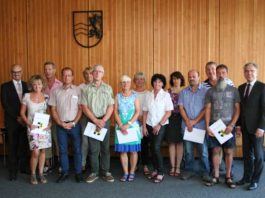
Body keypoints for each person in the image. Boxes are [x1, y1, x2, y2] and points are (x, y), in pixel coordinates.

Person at [205, 64, 240, 189]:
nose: (220, 75)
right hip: (215, 127)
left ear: (227, 74)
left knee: (228, 152)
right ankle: (215, 176)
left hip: (228, 127)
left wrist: (232, 125)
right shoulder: (210, 91)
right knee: (215, 151)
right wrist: (207, 126)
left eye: (223, 72)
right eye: (218, 72)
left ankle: (228, 176)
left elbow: (237, 110)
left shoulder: (234, 90)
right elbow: (208, 109)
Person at [81, 64, 115, 183]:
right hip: (92, 121)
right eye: (95, 71)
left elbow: (111, 106)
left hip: (104, 120)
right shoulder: (85, 89)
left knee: (105, 148)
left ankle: (105, 171)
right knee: (93, 149)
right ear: (92, 74)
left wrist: (103, 120)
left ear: (103, 74)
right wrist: (95, 121)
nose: (97, 73)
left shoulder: (108, 88)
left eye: (100, 71)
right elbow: (84, 107)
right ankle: (94, 172)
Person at [49, 67, 83, 183]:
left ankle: (78, 173)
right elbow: (53, 109)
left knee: (77, 149)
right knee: (62, 150)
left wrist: (74, 122)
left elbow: (80, 109)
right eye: (64, 75)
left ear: (72, 77)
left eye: (69, 75)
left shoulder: (78, 90)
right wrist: (60, 123)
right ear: (61, 76)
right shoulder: (55, 91)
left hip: (75, 125)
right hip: (61, 126)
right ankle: (65, 172)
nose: (66, 77)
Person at [236, 62, 265, 190]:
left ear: (256, 72)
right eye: (247, 71)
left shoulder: (262, 87)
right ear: (244, 73)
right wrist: (238, 125)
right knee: (246, 155)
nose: (249, 73)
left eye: (252, 71)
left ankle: (255, 180)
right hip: (245, 127)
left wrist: (262, 127)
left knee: (258, 156)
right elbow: (239, 109)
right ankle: (246, 177)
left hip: (257, 128)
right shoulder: (241, 88)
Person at [178, 70, 210, 181]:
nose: (191, 78)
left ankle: (205, 172)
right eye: (189, 76)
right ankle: (189, 170)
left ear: (199, 77)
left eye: (194, 76)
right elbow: (181, 108)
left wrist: (195, 121)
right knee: (188, 151)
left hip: (200, 126)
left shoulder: (206, 91)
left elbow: (206, 108)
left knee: (204, 152)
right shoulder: (183, 92)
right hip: (187, 127)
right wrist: (187, 121)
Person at [20, 75, 52, 184]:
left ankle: (41, 174)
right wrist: (29, 124)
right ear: (31, 85)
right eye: (34, 84)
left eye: (39, 83)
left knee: (43, 151)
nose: (37, 86)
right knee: (35, 152)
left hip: (44, 128)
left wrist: (50, 124)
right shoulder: (27, 96)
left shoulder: (46, 97)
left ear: (42, 85)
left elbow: (49, 113)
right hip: (32, 128)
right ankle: (33, 174)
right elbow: (22, 113)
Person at [142, 74, 173, 183]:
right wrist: (144, 126)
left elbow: (169, 112)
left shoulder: (166, 95)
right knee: (151, 148)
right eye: (155, 81)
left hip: (161, 125)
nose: (157, 84)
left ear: (163, 84)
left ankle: (160, 172)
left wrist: (159, 124)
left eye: (160, 82)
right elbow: (145, 112)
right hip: (149, 125)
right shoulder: (148, 95)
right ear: (152, 83)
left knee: (155, 147)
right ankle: (155, 169)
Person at [1, 64, 29, 181]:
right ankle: (13, 171)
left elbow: (28, 102)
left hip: (24, 121)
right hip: (12, 121)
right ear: (11, 73)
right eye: (14, 72)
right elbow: (5, 105)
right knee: (12, 146)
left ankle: (23, 167)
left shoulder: (25, 85)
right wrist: (17, 117)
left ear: (21, 72)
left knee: (23, 145)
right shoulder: (5, 86)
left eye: (18, 72)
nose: (16, 74)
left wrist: (24, 118)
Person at [114, 75, 141, 182]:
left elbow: (138, 111)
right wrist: (121, 125)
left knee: (133, 151)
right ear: (121, 84)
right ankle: (125, 172)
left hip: (132, 127)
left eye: (127, 82)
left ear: (130, 84)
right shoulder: (117, 96)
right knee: (123, 151)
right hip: (120, 127)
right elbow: (115, 111)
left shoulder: (135, 95)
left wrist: (128, 124)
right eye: (123, 82)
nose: (125, 84)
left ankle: (132, 172)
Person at [43, 61, 62, 173]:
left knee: (57, 140)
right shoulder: (41, 84)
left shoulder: (59, 85)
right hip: (44, 117)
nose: (47, 71)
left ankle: (60, 162)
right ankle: (47, 163)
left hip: (56, 116)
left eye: (50, 69)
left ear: (54, 70)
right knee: (46, 140)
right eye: (45, 69)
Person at [166, 71, 185, 177]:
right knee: (171, 142)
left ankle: (178, 167)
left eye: (177, 78)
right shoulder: (167, 91)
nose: (175, 80)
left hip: (182, 119)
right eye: (173, 78)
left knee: (180, 143)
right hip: (171, 119)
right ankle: (172, 166)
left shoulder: (185, 91)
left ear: (181, 79)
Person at [133, 72, 151, 175]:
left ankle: (145, 165)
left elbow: (150, 109)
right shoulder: (130, 93)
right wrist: (137, 117)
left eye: (141, 79)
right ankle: (134, 164)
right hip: (133, 122)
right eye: (137, 79)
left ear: (144, 81)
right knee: (134, 144)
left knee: (144, 145)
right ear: (134, 81)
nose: (139, 81)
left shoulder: (149, 94)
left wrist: (143, 119)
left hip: (145, 122)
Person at [79, 66, 94, 172]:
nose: (88, 76)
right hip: (84, 117)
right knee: (85, 141)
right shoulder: (80, 87)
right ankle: (83, 163)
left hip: (97, 118)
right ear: (84, 75)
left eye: (90, 73)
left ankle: (95, 163)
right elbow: (80, 104)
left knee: (95, 141)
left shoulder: (98, 86)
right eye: (86, 74)